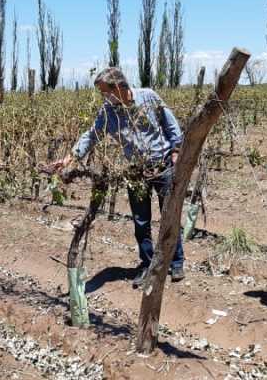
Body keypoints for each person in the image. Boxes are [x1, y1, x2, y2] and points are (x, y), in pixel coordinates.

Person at [47, 67, 187, 288]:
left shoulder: (148, 97)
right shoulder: (108, 111)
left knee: (170, 214)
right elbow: (91, 135)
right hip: (135, 171)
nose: (104, 97)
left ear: (120, 87)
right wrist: (69, 159)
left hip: (162, 166)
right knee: (141, 222)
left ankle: (176, 262)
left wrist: (176, 152)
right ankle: (148, 264)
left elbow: (171, 125)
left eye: (105, 92)